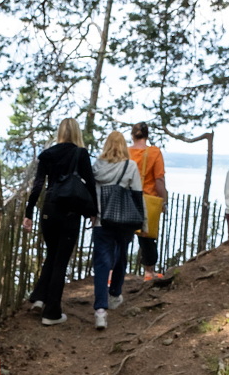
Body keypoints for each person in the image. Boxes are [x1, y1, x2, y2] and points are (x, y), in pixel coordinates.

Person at [24, 118, 95, 325]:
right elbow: (89, 183)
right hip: (70, 213)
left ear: (60, 133)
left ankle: (39, 298)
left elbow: (37, 185)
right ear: (76, 133)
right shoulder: (80, 153)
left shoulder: (47, 154)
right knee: (60, 261)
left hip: (49, 210)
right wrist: (93, 211)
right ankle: (51, 313)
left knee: (52, 254)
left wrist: (28, 213)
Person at [90, 130, 143, 330]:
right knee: (121, 257)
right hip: (123, 221)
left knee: (102, 264)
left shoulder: (97, 166)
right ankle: (114, 294)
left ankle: (100, 311)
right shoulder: (130, 166)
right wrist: (142, 221)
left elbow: (91, 194)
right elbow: (138, 194)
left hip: (101, 222)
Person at [127, 123, 167, 279]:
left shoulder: (126, 152)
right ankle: (149, 272)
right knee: (147, 237)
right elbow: (159, 180)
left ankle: (113, 272)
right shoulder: (154, 152)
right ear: (147, 135)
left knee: (123, 237)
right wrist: (163, 201)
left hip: (127, 199)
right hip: (147, 198)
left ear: (132, 135)